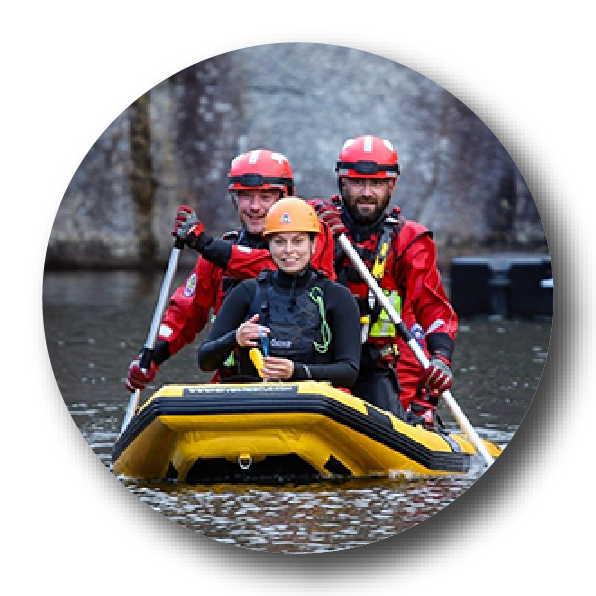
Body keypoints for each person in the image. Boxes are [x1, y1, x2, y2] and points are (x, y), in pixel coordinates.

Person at [125, 149, 335, 392]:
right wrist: (152, 355)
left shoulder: (312, 240)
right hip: (235, 382)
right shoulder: (220, 253)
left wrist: (205, 245)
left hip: (305, 382)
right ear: (234, 198)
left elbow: (265, 265)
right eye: (246, 196)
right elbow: (185, 312)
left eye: (266, 197)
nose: (255, 207)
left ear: (285, 197)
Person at [313, 135, 458, 426]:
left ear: (391, 186)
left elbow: (433, 309)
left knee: (396, 418)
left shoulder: (409, 241)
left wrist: (441, 358)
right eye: (357, 183)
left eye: (376, 184)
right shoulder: (315, 224)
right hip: (319, 359)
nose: (366, 193)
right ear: (342, 184)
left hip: (379, 363)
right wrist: (319, 233)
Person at [198, 197, 361, 387]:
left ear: (313, 244)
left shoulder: (336, 296)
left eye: (298, 241)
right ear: (269, 244)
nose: (289, 250)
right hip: (254, 399)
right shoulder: (246, 292)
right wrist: (234, 338)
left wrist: (295, 371)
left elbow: (349, 371)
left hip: (313, 402)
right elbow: (204, 361)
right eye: (280, 242)